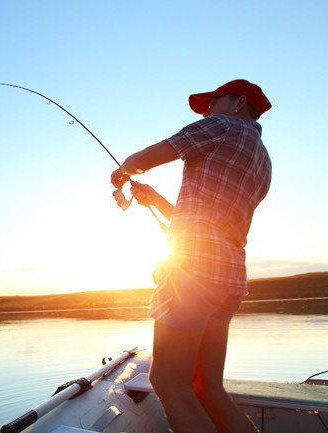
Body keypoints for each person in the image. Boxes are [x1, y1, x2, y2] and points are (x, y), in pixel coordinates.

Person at [110, 79, 272, 433]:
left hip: (194, 273)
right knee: (208, 388)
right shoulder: (264, 160)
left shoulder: (221, 125)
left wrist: (123, 171)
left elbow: (140, 161)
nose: (207, 111)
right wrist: (153, 200)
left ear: (239, 103)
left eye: (213, 103)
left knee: (169, 383)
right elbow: (210, 223)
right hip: (228, 278)